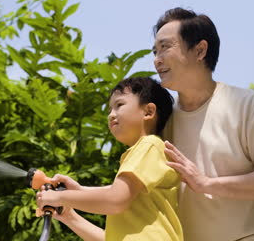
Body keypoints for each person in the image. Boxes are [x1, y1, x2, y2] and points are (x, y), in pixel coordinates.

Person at [152, 7, 254, 240]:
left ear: (200, 50)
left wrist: (207, 184)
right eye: (154, 51)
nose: (156, 60)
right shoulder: (160, 122)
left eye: (165, 47)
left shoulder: (247, 105)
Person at [36, 77, 183, 241]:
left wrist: (60, 197)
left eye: (119, 105)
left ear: (148, 112)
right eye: (109, 110)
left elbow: (115, 200)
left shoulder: (149, 145)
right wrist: (71, 210)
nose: (111, 115)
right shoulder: (141, 157)